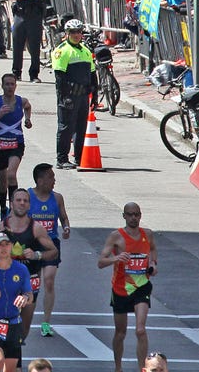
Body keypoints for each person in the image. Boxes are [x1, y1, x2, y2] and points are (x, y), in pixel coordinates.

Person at [0, 189, 56, 340]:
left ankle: (16, 351)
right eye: (18, 200)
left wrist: (37, 255)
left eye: (25, 201)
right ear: (11, 203)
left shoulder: (36, 228)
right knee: (1, 321)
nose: (22, 203)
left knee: (23, 330)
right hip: (5, 279)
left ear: (29, 205)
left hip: (29, 280)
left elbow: (53, 251)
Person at [99, 203, 157, 372]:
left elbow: (153, 250)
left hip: (142, 286)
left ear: (140, 215)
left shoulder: (148, 234)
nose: (133, 218)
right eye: (130, 214)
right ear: (124, 216)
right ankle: (118, 367)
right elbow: (101, 262)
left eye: (136, 214)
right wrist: (115, 259)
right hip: (121, 288)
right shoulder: (116, 237)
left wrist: (153, 263)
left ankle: (142, 368)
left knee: (140, 330)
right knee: (120, 332)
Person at [0, 75, 33, 219]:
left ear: (16, 86)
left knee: (11, 174)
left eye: (12, 84)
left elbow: (28, 106)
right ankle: (3, 207)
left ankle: (13, 209)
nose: (10, 87)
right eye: (7, 84)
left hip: (16, 143)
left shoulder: (21, 101)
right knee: (3, 182)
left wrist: (28, 119)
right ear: (2, 86)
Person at [28, 164, 70, 337]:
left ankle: (46, 321)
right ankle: (26, 315)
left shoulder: (57, 198)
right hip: (32, 243)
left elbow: (64, 217)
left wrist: (66, 227)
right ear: (40, 180)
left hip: (51, 243)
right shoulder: (28, 197)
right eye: (51, 177)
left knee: (49, 280)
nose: (54, 180)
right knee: (33, 283)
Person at [0, 232, 33, 372]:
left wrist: (25, 298)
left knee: (10, 369)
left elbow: (29, 294)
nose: (3, 248)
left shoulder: (21, 269)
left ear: (11, 246)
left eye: (7, 244)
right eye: (0, 244)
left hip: (13, 324)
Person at [51, 19, 96, 169]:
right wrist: (64, 97)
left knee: (81, 127)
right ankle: (61, 159)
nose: (76, 35)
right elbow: (59, 78)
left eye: (79, 32)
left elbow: (92, 74)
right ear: (67, 34)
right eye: (73, 32)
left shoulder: (85, 50)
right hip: (69, 96)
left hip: (83, 96)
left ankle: (79, 157)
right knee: (65, 128)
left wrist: (94, 95)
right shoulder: (62, 51)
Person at [9, 0, 48, 81]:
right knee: (17, 43)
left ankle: (34, 74)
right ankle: (16, 72)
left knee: (34, 45)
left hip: (34, 15)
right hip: (20, 14)